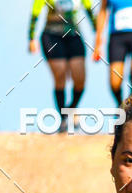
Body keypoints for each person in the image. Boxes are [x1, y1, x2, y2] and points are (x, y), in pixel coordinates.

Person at [29, 0, 96, 133]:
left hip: (73, 35)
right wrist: (31, 38)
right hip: (52, 35)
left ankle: (71, 109)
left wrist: (99, 36)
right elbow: (35, 13)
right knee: (60, 76)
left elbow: (90, 12)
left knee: (80, 79)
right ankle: (63, 118)